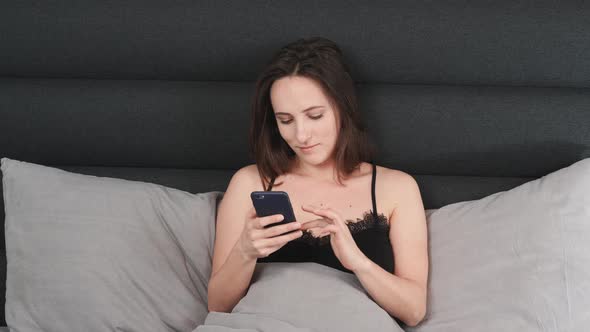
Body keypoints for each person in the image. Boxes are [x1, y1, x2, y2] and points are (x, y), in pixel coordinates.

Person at [207, 37, 429, 327]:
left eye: (315, 116)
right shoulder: (250, 182)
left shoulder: (396, 188)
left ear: (342, 109)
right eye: (285, 120)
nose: (301, 135)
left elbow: (413, 311)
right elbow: (217, 305)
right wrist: (245, 252)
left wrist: (358, 263)